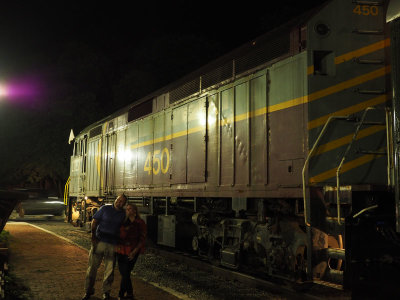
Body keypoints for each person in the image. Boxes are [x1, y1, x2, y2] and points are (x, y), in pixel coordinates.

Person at [82, 194, 127, 300]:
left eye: (121, 201)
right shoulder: (105, 209)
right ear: (115, 199)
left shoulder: (123, 214)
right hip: (100, 242)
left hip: (112, 244)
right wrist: (93, 237)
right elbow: (95, 222)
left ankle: (106, 292)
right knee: (92, 268)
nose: (118, 202)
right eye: (118, 200)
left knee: (109, 270)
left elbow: (124, 228)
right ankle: (88, 291)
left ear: (124, 204)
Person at [115, 203, 147, 300]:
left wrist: (134, 252)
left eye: (130, 209)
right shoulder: (123, 222)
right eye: (127, 209)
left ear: (135, 211)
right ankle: (130, 293)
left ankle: (121, 294)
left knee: (126, 273)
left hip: (133, 250)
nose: (128, 211)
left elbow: (142, 238)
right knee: (125, 273)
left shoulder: (140, 223)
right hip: (121, 250)